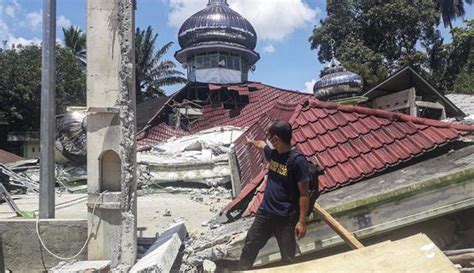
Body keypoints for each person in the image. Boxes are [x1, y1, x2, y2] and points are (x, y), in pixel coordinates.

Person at [237, 120, 310, 270]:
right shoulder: (273, 154)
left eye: (270, 137)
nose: (268, 140)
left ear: (276, 139)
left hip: (286, 218)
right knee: (250, 245)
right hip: (265, 213)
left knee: (288, 257)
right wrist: (251, 142)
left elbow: (304, 194)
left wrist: (302, 222)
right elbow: (262, 144)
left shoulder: (297, 161)